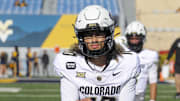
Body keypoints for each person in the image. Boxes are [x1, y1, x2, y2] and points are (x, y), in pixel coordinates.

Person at [53, 5, 140, 101]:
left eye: (99, 34)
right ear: (81, 37)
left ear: (109, 34)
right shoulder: (69, 63)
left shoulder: (127, 62)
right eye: (88, 35)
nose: (94, 40)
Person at [117, 21, 158, 101]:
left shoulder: (150, 56)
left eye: (137, 38)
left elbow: (153, 80)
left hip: (139, 97)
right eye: (132, 38)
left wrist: (152, 100)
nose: (134, 41)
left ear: (143, 38)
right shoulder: (121, 54)